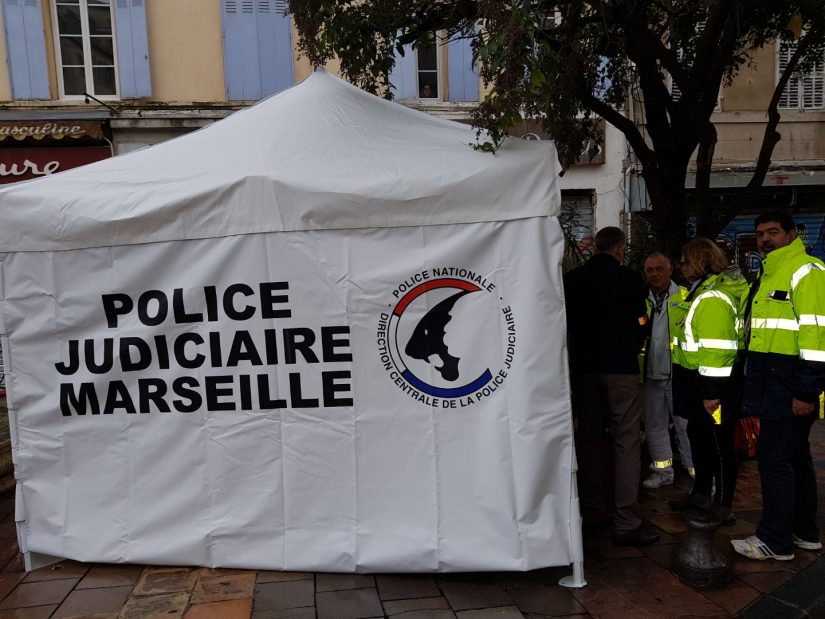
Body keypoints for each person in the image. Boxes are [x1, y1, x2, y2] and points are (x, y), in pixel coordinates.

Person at [731, 211, 825, 561]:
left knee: (774, 461)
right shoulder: (770, 272)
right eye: (760, 233)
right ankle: (804, 533)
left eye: (773, 232)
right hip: (776, 381)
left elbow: (817, 336)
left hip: (789, 385)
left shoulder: (806, 271)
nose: (765, 239)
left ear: (791, 234)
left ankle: (774, 541)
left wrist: (806, 391)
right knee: (795, 459)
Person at [564, 226, 659, 546]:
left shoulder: (572, 280)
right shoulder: (631, 279)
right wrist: (633, 342)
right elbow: (641, 321)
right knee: (627, 440)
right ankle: (627, 520)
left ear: (595, 249)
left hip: (583, 369)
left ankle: (592, 511)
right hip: (620, 367)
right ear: (619, 249)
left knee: (588, 438)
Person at [668, 238, 748, 524]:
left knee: (718, 443)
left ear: (700, 262)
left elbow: (717, 348)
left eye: (686, 261)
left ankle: (722, 504)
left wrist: (711, 392)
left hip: (712, 388)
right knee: (701, 438)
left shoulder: (713, 297)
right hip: (699, 383)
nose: (682, 267)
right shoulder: (703, 291)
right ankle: (701, 493)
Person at [640, 252, 693, 489]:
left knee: (686, 425)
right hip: (649, 376)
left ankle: (696, 471)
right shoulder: (641, 300)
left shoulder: (686, 297)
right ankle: (662, 471)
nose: (654, 274)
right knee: (654, 424)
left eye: (659, 269)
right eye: (650, 270)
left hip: (678, 374)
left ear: (671, 270)